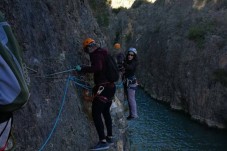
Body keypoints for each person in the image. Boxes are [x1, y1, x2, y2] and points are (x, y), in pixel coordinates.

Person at [75, 38, 116, 151]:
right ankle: (110, 137)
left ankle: (103, 141)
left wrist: (82, 69)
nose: (88, 53)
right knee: (105, 111)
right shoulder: (104, 53)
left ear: (89, 47)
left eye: (87, 50)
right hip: (111, 87)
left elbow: (97, 68)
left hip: (103, 88)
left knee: (96, 113)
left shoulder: (96, 55)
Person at [123, 47, 139, 120]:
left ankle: (134, 115)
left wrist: (123, 63)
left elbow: (130, 68)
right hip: (128, 82)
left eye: (132, 55)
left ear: (134, 56)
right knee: (129, 99)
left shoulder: (134, 62)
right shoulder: (128, 61)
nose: (130, 56)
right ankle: (131, 114)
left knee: (131, 99)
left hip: (131, 83)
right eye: (129, 54)